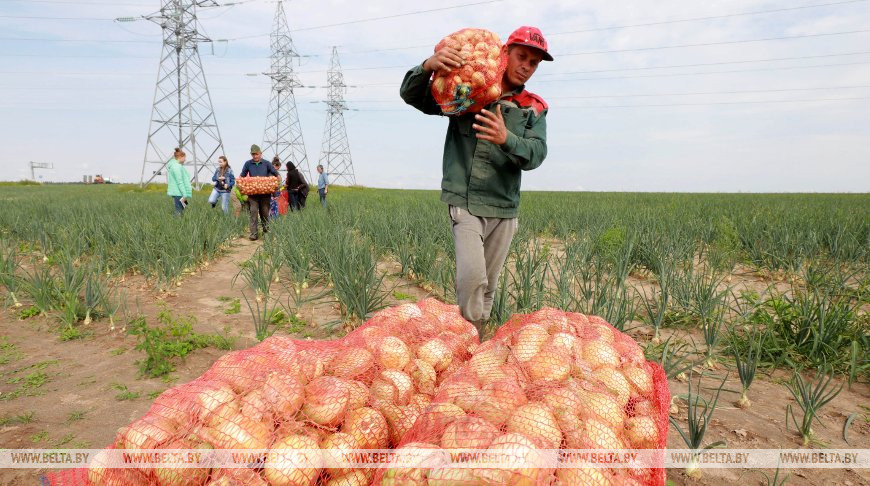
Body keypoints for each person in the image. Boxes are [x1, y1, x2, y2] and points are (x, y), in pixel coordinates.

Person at [399, 26, 552, 336]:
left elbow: (537, 153)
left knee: (489, 285)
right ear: (505, 53)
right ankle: (470, 342)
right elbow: (412, 95)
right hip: (466, 201)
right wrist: (428, 66)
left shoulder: (532, 107)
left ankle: (475, 343)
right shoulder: (467, 88)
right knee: (472, 278)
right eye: (522, 57)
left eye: (533, 63)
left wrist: (507, 139)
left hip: (503, 207)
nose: (526, 66)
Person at [240, 144, 280, 240]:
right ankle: (254, 234)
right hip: (253, 194)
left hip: (265, 194)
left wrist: (278, 178)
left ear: (260, 154)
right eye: (253, 154)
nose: (255, 156)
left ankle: (266, 232)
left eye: (256, 154)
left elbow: (275, 172)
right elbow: (242, 176)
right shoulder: (248, 164)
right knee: (253, 212)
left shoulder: (266, 163)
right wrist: (241, 184)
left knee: (264, 213)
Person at [166, 147, 193, 215]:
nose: (185, 159)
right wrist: (184, 194)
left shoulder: (177, 166)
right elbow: (179, 182)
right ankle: (174, 222)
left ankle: (182, 220)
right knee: (179, 210)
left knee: (184, 207)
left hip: (180, 192)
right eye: (184, 157)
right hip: (179, 193)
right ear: (180, 157)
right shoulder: (176, 167)